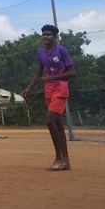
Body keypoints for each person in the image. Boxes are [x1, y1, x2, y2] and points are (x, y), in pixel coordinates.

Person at [21, 24, 76, 171]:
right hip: (48, 90)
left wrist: (52, 77)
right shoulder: (41, 52)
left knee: (50, 120)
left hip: (60, 88)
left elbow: (72, 72)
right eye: (44, 34)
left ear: (55, 36)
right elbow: (39, 73)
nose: (46, 37)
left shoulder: (61, 51)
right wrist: (28, 88)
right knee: (58, 124)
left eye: (49, 34)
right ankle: (66, 162)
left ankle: (59, 158)